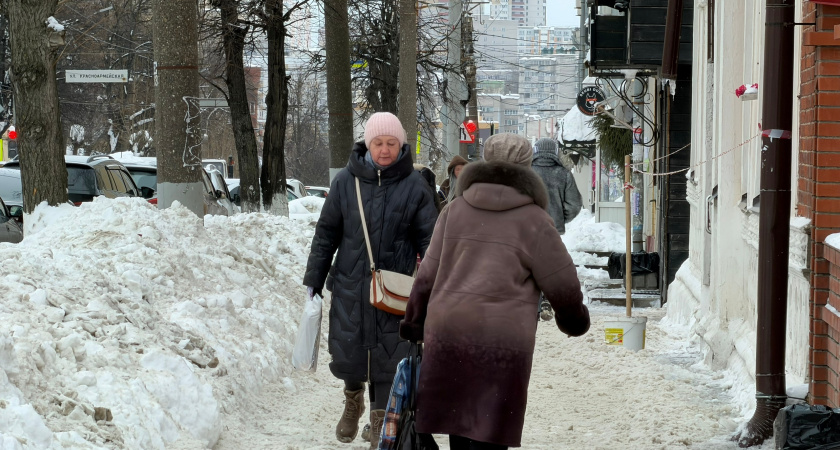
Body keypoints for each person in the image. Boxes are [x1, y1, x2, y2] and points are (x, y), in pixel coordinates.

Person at [400, 133, 590, 450]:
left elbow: (427, 274)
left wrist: (415, 320)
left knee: (458, 424)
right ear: (527, 169)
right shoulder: (535, 220)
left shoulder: (454, 210)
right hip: (501, 340)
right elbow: (562, 282)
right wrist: (573, 318)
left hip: (449, 332)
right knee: (491, 430)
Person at [303, 112, 438, 449]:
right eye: (378, 143)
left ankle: (379, 419)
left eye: (391, 143)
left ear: (401, 144)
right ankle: (352, 399)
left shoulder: (415, 187)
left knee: (389, 356)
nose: (385, 149)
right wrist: (314, 279)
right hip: (350, 286)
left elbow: (433, 242)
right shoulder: (345, 182)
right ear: (367, 144)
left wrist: (435, 284)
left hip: (395, 291)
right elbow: (326, 234)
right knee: (350, 350)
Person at [531, 138, 583, 320]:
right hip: (551, 229)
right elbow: (575, 204)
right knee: (549, 266)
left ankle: (532, 301)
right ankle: (547, 298)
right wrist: (560, 218)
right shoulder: (563, 174)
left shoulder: (525, 172)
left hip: (526, 229)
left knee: (528, 265)